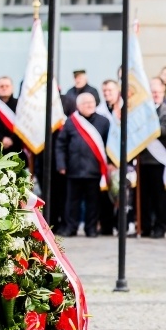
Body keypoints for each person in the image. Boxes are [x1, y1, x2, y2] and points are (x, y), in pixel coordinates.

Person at [56, 93, 111, 238]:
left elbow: (109, 146)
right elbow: (61, 145)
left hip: (94, 170)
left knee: (93, 202)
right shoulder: (71, 122)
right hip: (74, 169)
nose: (89, 105)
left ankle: (91, 228)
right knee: (72, 202)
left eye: (91, 102)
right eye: (85, 102)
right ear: (78, 106)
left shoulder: (104, 122)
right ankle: (71, 228)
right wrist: (61, 164)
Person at [138, 77, 166, 239]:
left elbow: (164, 130)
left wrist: (145, 128)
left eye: (159, 92)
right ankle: (145, 227)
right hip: (143, 159)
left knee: (159, 196)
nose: (156, 94)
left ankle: (160, 226)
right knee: (144, 197)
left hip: (159, 160)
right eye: (153, 92)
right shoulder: (141, 110)